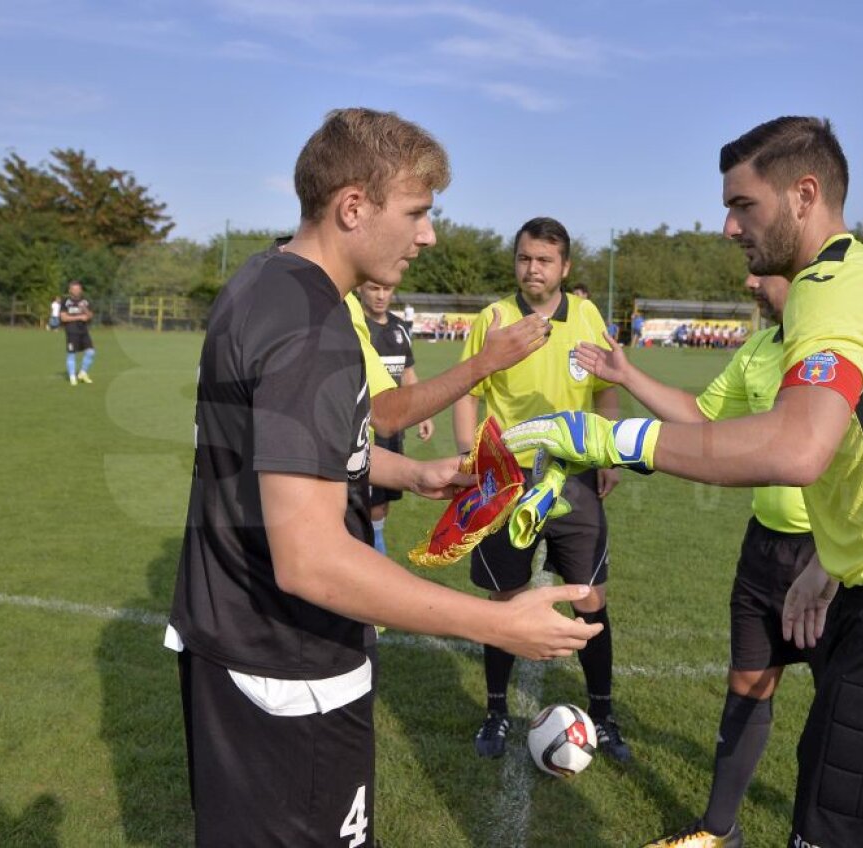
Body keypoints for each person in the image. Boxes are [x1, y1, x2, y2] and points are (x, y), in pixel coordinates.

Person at [504, 116, 863, 848]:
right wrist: (829, 561)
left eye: (743, 205)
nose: (727, 227)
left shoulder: (831, 285)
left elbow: (799, 447)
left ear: (803, 194)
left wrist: (613, 438)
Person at [166, 108, 602, 848]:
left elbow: (285, 445)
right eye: (418, 211)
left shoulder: (261, 281)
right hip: (289, 667)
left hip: (230, 643)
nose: (429, 234)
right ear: (353, 207)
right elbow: (309, 560)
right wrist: (498, 621)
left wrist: (410, 469)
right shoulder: (313, 325)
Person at [575, 274, 830, 848]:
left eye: (765, 273)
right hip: (765, 546)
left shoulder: (837, 354)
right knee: (748, 685)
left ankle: (815, 834)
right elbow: (704, 418)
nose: (751, 282)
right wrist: (627, 375)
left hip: (833, 559)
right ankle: (719, 831)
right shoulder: (760, 350)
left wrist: (835, 559)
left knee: (837, 706)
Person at [452, 216, 631, 763]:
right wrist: (470, 456)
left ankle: (602, 716)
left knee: (589, 598)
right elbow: (466, 391)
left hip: (572, 476)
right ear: (516, 261)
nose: (534, 268)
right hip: (506, 479)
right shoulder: (495, 318)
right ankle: (496, 711)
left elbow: (605, 390)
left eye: (545, 260)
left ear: (565, 268)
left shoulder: (588, 316)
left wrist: (605, 452)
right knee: (504, 601)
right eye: (526, 258)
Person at [357, 278, 434, 554]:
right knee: (360, 497)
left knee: (383, 497)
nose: (380, 295)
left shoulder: (399, 327)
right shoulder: (355, 327)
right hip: (363, 430)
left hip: (393, 430)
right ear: (360, 289)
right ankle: (370, 551)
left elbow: (408, 373)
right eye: (373, 288)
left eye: (386, 289)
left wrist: (422, 414)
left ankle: (377, 542)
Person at [60, 281, 95, 385]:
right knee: (71, 354)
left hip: (84, 331)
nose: (76, 291)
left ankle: (82, 373)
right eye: (74, 289)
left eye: (78, 289)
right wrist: (79, 317)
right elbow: (63, 318)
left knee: (91, 352)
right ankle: (72, 377)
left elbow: (90, 316)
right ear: (70, 290)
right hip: (72, 331)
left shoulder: (85, 301)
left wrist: (85, 310)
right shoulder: (65, 301)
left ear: (81, 290)